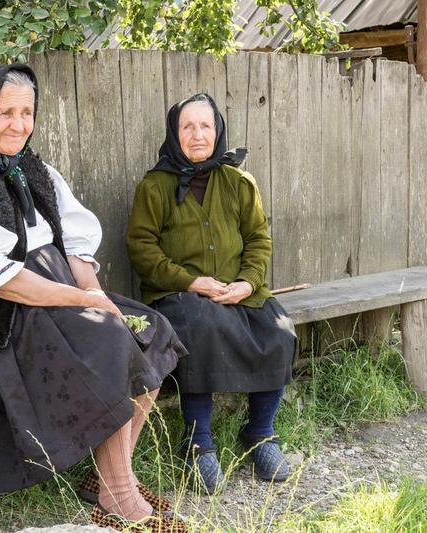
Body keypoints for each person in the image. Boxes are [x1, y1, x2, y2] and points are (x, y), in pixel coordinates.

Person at [0, 64, 188, 531]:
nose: (19, 124)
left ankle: (111, 479)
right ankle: (121, 496)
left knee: (151, 330)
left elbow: (74, 237)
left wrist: (88, 289)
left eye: (27, 112)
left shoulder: (29, 165)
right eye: (6, 112)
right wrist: (78, 302)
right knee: (107, 341)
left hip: (46, 282)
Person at [126, 93, 297, 493]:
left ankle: (260, 433)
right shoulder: (155, 187)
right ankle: (198, 442)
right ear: (175, 133)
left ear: (217, 131)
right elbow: (142, 249)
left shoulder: (239, 182)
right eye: (188, 127)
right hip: (179, 294)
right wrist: (191, 281)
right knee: (199, 326)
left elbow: (258, 239)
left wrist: (248, 283)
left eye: (205, 126)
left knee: (280, 327)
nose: (197, 134)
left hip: (238, 290)